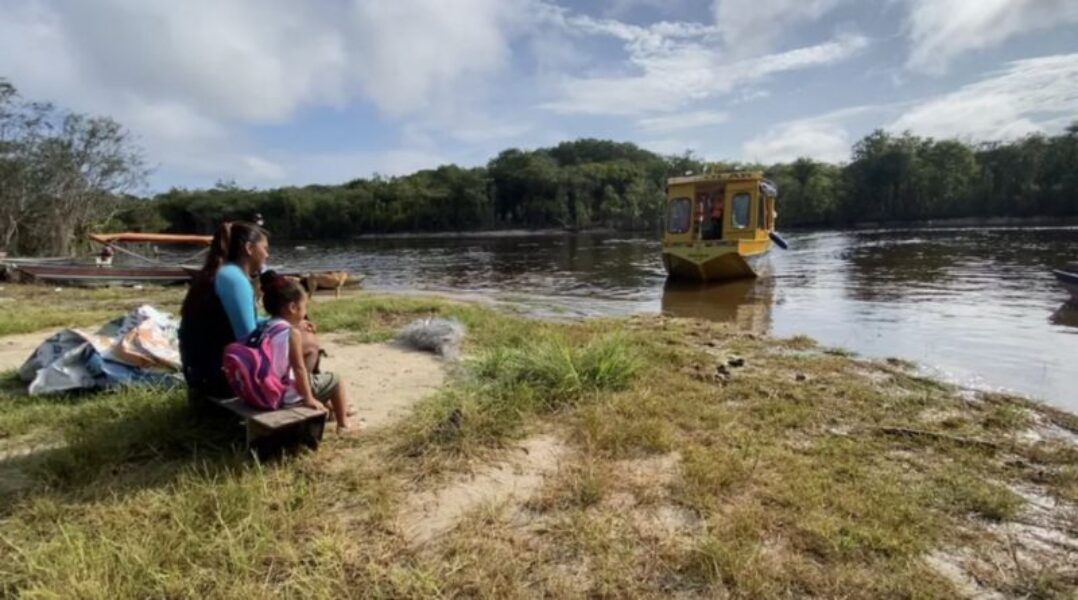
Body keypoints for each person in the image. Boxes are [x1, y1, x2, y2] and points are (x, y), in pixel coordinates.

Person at [258, 270, 356, 434]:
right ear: (293, 307)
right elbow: (299, 369)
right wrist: (308, 398)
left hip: (268, 388)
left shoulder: (267, 326)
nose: (305, 313)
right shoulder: (292, 333)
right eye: (304, 307)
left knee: (316, 380)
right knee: (335, 380)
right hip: (286, 393)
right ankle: (344, 425)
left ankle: (331, 410)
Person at [179, 221, 270, 398]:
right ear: (249, 248)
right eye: (265, 248)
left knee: (292, 332)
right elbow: (248, 339)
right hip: (220, 380)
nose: (267, 255)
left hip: (200, 376)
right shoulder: (234, 279)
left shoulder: (219, 273)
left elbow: (248, 321)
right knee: (303, 343)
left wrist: (281, 322)